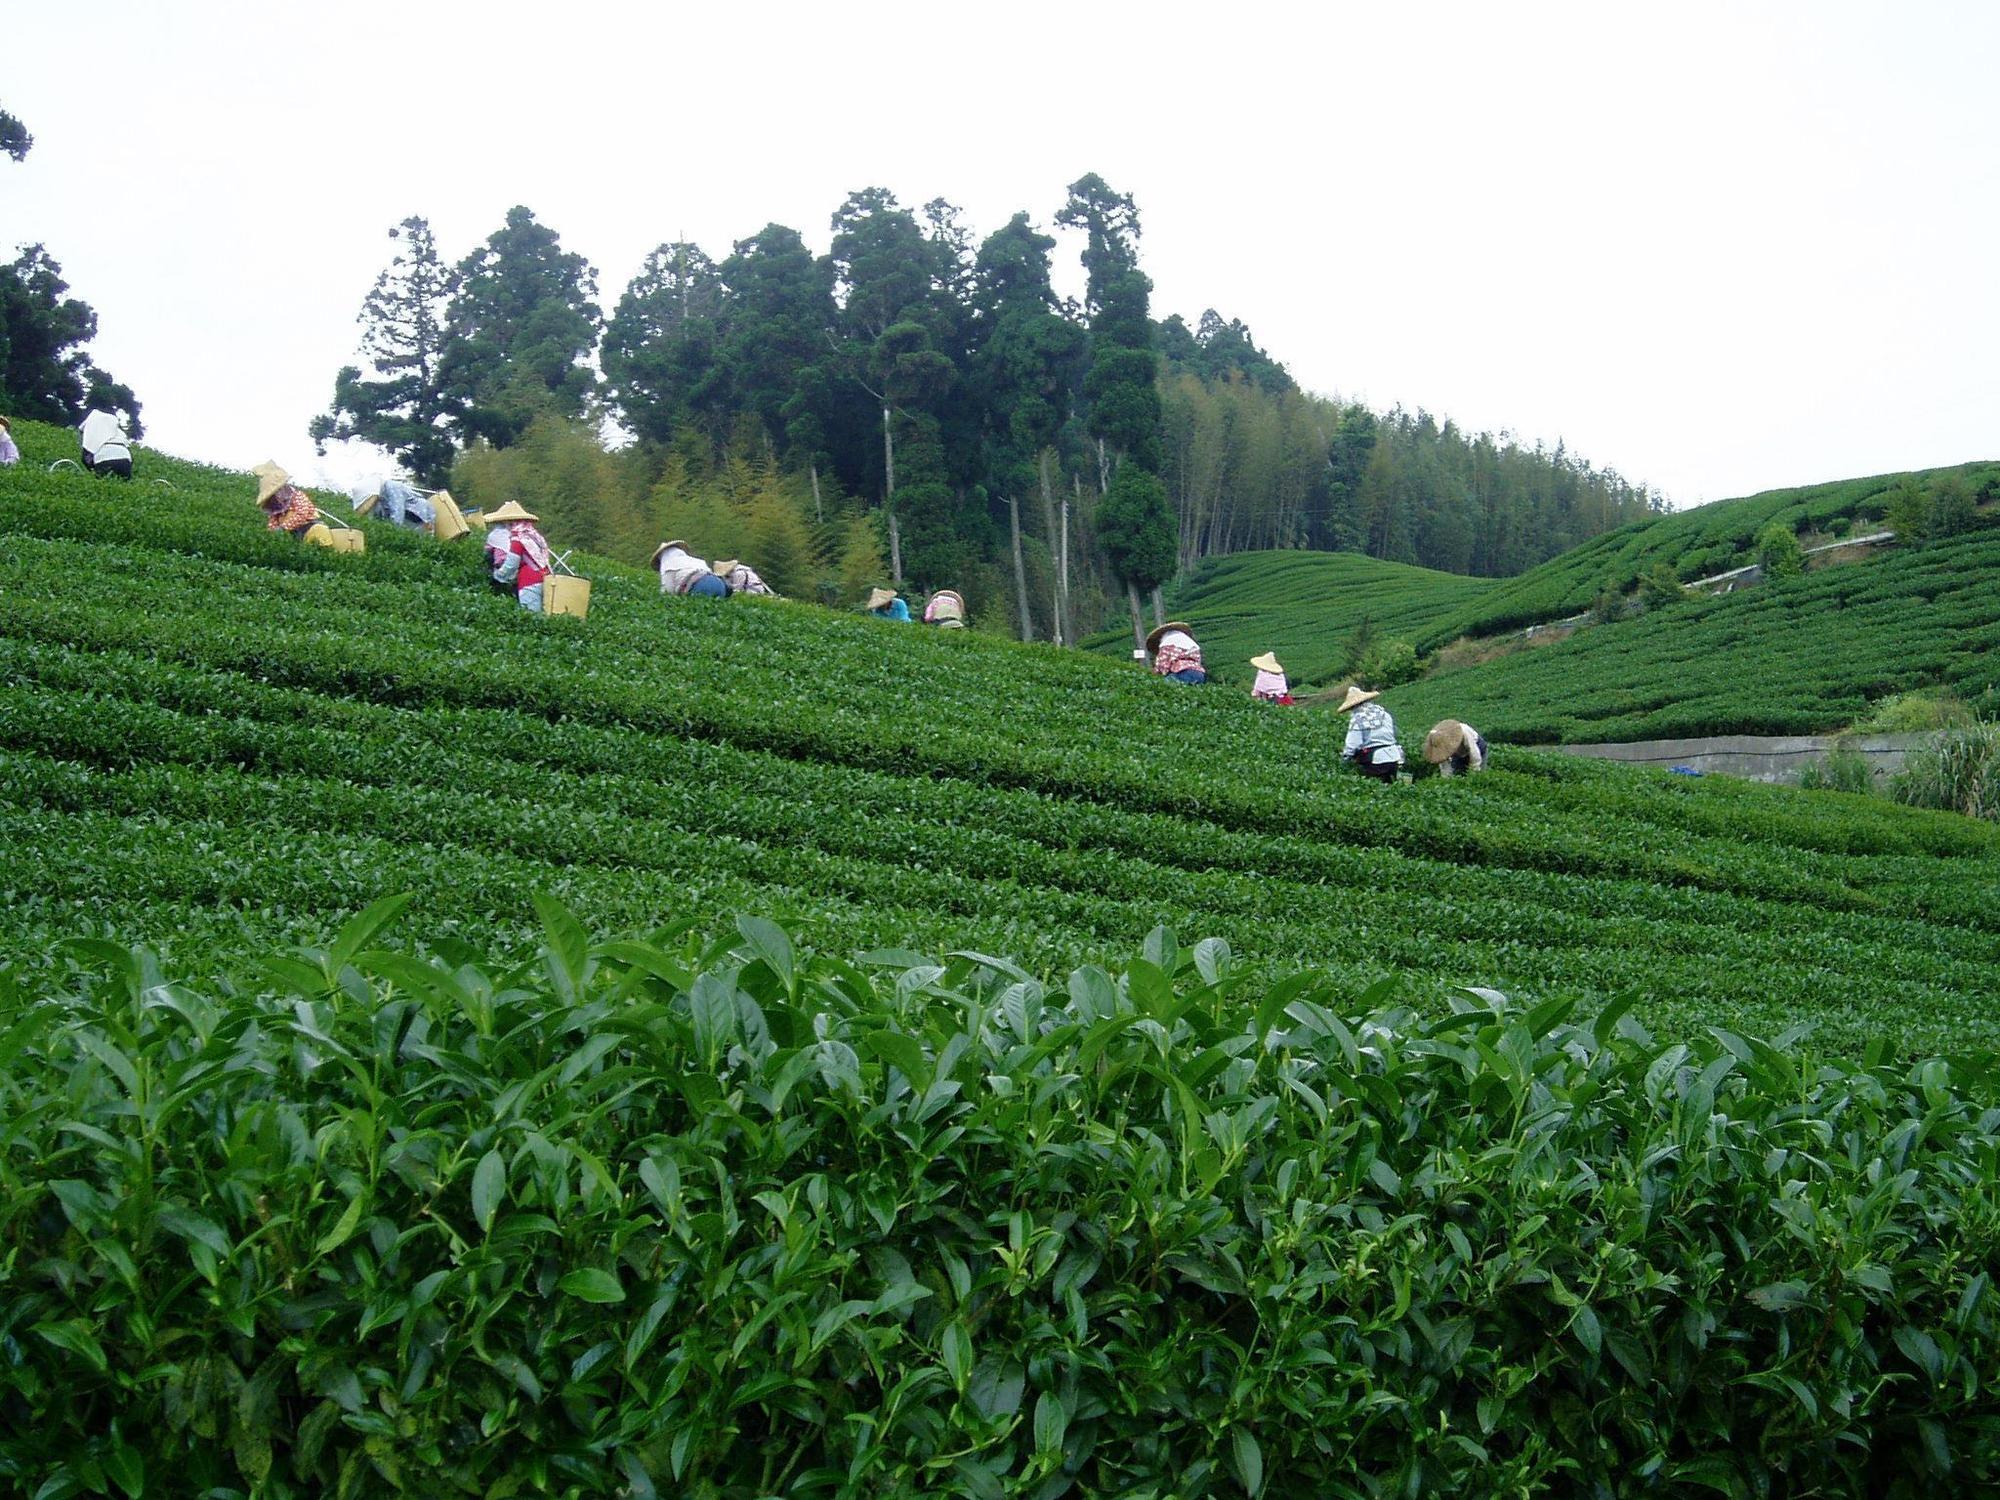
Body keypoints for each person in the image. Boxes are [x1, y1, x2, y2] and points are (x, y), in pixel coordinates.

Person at [483, 500, 551, 612]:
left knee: (531, 616)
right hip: (546, 578)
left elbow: (512, 563)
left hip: (529, 581)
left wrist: (498, 576)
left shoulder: (518, 538)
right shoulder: (533, 535)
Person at [1338, 685, 1405, 783]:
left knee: (1378, 790)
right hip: (1394, 756)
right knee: (1393, 787)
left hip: (1376, 760)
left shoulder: (1357, 719)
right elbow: (1393, 733)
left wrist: (1344, 759)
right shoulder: (1384, 714)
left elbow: (1353, 745)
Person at [253, 461, 321, 537]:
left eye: (278, 492)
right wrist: (272, 532)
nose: (277, 496)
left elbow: (302, 514)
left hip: (308, 526)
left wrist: (283, 528)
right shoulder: (277, 506)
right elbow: (274, 520)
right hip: (291, 530)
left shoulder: (297, 496)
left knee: (317, 532)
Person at [651, 539, 731, 598]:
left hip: (700, 586)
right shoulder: (696, 561)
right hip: (720, 585)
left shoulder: (668, 564)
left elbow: (668, 591)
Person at [359, 477, 434, 530]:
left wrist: (392, 532)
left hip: (419, 515)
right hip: (408, 520)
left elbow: (398, 511)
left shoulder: (392, 487)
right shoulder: (381, 498)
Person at [79, 409, 134, 479]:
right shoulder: (118, 432)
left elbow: (85, 458)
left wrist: (92, 469)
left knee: (103, 485)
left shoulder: (93, 433)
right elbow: (131, 456)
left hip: (104, 459)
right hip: (125, 459)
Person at [1424, 720, 1489, 777]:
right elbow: (1444, 764)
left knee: (1480, 775)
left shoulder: (1464, 731)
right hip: (1458, 755)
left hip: (1478, 750)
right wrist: (1446, 780)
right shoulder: (1441, 744)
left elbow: (1475, 756)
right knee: (1458, 774)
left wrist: (1473, 774)